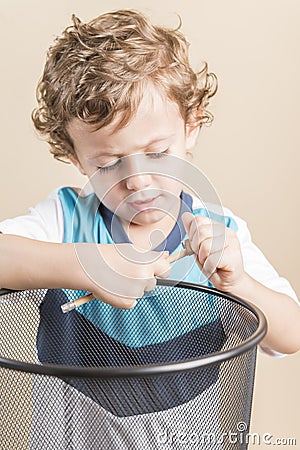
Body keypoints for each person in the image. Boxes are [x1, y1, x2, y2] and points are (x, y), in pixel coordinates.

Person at [0, 9, 299, 450]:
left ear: (191, 127)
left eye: (157, 153)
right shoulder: (65, 222)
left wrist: (239, 282)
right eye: (108, 164)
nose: (137, 181)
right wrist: (83, 264)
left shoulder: (218, 235)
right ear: (76, 158)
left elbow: (290, 334)